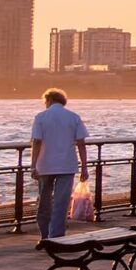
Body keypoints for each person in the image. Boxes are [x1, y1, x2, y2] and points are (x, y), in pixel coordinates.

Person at [29, 89, 90, 242]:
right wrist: (84, 167)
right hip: (67, 165)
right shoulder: (74, 117)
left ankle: (44, 235)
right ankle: (56, 235)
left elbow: (36, 141)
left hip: (45, 165)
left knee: (44, 201)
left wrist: (33, 165)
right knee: (61, 202)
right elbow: (81, 144)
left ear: (48, 100)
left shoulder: (41, 117)